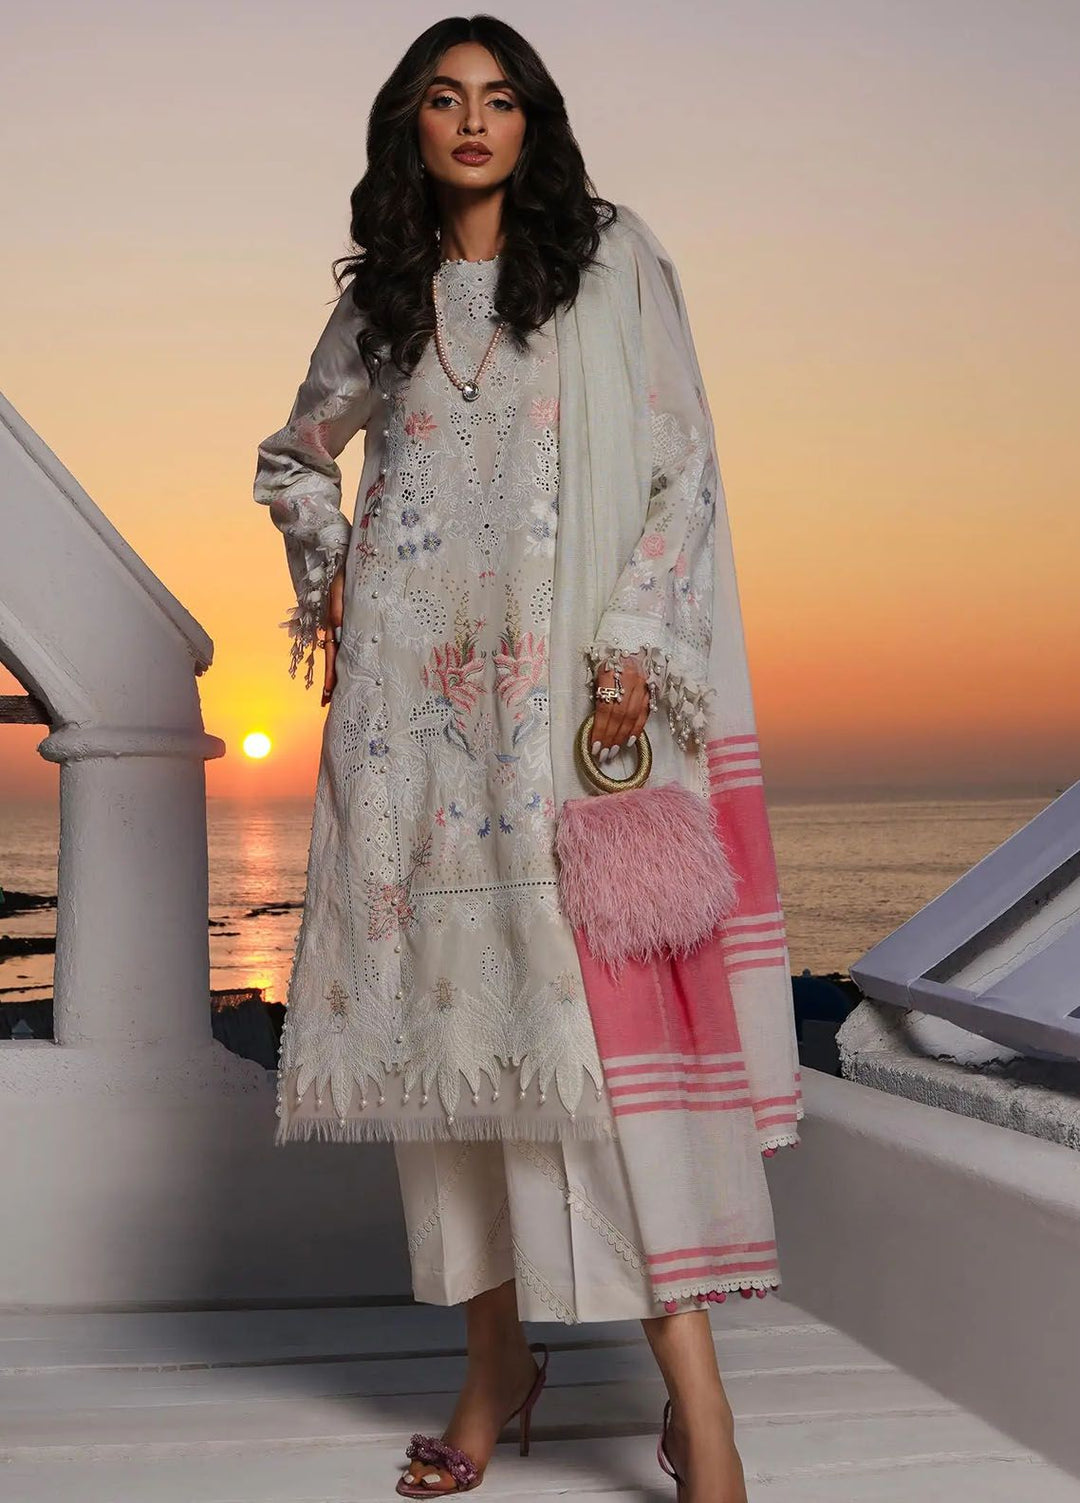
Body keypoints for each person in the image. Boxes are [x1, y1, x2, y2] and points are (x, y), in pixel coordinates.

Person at [253, 16, 803, 1502]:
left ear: (532, 122)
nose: (473, 122)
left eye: (499, 100)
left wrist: (629, 653)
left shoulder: (609, 265)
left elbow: (683, 468)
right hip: (413, 732)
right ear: (412, 128)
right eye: (445, 100)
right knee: (450, 1056)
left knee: (600, 1063)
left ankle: (702, 1409)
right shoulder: (383, 303)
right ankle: (494, 1365)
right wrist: (336, 568)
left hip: (564, 715)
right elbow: (296, 455)